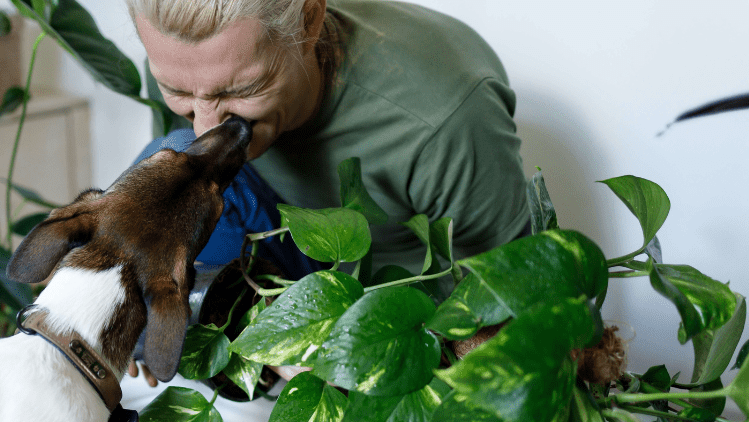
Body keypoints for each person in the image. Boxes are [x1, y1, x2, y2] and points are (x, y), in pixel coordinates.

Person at [126, 0, 530, 382]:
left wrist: (346, 356)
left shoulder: (448, 120)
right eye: (178, 92)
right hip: (278, 250)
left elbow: (508, 297)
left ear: (308, 19)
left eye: (238, 91)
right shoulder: (186, 60)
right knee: (173, 158)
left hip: (395, 307)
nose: (207, 128)